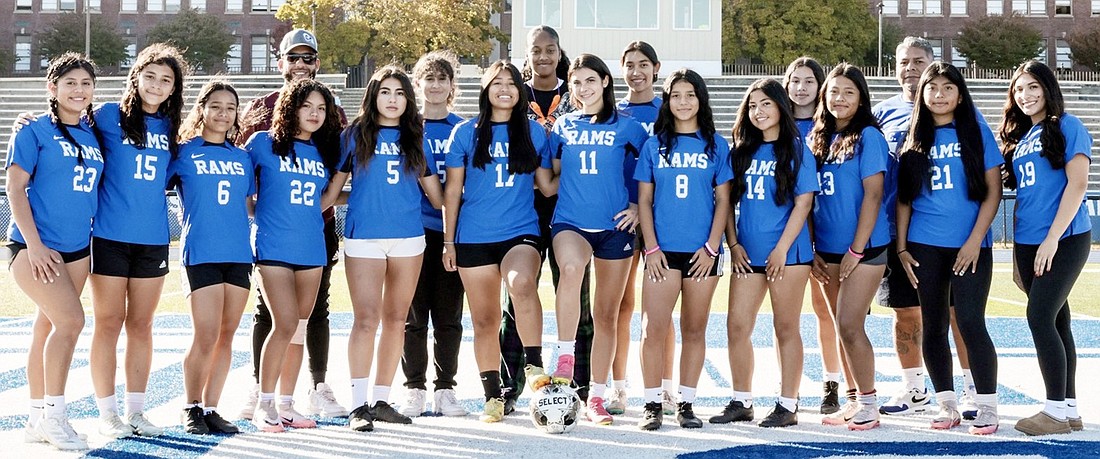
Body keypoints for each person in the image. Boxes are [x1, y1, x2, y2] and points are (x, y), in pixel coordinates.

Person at [325, 66, 444, 432]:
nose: (393, 99)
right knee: (366, 320)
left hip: (409, 237)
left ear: (408, 99)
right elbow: (333, 192)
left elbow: (437, 197)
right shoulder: (354, 136)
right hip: (365, 237)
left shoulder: (416, 138)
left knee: (397, 320)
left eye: (400, 93)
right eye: (385, 92)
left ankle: (380, 399)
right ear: (373, 95)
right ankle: (357, 405)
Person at [238, 28, 349, 420]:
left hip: (313, 235)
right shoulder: (260, 122)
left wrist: (312, 209)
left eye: (309, 58)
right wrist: (263, 217)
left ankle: (304, 393)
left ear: (317, 63)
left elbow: (335, 180)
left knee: (308, 317)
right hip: (273, 237)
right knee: (272, 317)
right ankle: (261, 391)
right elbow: (242, 183)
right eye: (294, 57)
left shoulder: (331, 120)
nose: (301, 64)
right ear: (281, 62)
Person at [441, 60, 555, 423]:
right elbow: (453, 191)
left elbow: (548, 186)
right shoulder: (465, 133)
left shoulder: (535, 132)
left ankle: (534, 365)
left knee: (521, 285)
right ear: (486, 89)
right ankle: (493, 395)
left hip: (520, 231)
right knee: (484, 321)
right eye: (496, 83)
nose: (504, 89)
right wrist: (449, 242)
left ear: (520, 90)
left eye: (511, 83)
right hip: (473, 236)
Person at [85, 43, 187, 439]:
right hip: (109, 235)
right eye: (151, 76)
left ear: (174, 88)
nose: (157, 85)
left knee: (142, 325)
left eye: (166, 80)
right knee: (108, 323)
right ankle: (107, 412)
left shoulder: (173, 128)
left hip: (153, 240)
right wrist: (31, 119)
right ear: (136, 76)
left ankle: (137, 411)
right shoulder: (109, 115)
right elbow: (69, 122)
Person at [896, 62, 1003, 434]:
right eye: (932, 87)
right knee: (934, 325)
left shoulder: (976, 132)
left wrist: (975, 241)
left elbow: (993, 192)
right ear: (922, 94)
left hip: (969, 245)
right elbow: (905, 199)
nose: (939, 94)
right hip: (925, 246)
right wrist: (902, 248)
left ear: (959, 94)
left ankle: (987, 406)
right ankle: (946, 403)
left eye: (947, 87)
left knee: (972, 322)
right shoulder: (913, 138)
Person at [873, 37, 977, 418]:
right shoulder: (882, 113)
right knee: (905, 312)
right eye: (904, 61)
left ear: (932, 65)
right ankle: (915, 387)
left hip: (946, 232)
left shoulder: (959, 112)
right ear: (895, 66)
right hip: (896, 230)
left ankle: (969, 387)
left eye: (919, 61)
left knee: (955, 313)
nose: (911, 68)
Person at [547, 53, 649, 425]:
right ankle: (564, 355)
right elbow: (551, 174)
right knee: (571, 268)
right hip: (571, 222)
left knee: (606, 314)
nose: (583, 88)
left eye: (590, 80)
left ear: (605, 82)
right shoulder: (563, 126)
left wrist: (638, 205)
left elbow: (651, 169)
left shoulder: (629, 126)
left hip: (615, 228)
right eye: (576, 82)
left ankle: (596, 396)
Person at [497, 25, 595, 412]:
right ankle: (511, 385)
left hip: (570, 207)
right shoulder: (514, 95)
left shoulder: (575, 94)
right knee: (516, 296)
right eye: (535, 50)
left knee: (576, 294)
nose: (542, 56)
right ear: (527, 54)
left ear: (559, 53)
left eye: (550, 49)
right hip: (523, 207)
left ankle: (581, 385)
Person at [8, 52, 102, 451]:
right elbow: (15, 188)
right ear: (53, 88)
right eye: (70, 83)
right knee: (70, 323)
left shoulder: (93, 133)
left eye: (85, 84)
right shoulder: (33, 130)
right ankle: (55, 415)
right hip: (36, 246)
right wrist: (34, 245)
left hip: (78, 247)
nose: (78, 90)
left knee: (46, 327)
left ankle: (35, 419)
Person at [714, 79, 817, 428]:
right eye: (753, 105)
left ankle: (788, 404)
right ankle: (742, 400)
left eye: (766, 104)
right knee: (736, 326)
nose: (759, 111)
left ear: (781, 107)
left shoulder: (798, 149)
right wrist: (734, 243)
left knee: (785, 327)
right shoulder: (740, 151)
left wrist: (782, 249)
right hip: (748, 254)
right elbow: (726, 202)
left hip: (788, 254)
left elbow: (804, 203)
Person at [635, 69, 731, 431]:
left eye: (690, 94)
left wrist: (712, 247)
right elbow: (644, 201)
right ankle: (652, 403)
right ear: (667, 100)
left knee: (694, 329)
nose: (683, 101)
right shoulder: (654, 145)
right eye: (676, 95)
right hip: (662, 251)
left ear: (700, 99)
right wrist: (651, 248)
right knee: (652, 329)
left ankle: (687, 404)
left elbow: (723, 200)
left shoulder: (715, 144)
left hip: (701, 253)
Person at [999, 60, 1092, 436]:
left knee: (1039, 318)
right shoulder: (1024, 137)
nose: (1026, 95)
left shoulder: (1068, 125)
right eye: (1019, 89)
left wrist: (1052, 238)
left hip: (1063, 239)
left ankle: (1053, 411)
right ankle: (1069, 410)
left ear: (1048, 88)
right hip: (1028, 241)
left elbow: (1078, 185)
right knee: (1057, 321)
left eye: (1033, 87)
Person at [810, 63, 890, 431]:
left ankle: (870, 403)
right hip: (826, 250)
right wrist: (813, 247)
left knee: (850, 325)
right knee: (840, 327)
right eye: (834, 92)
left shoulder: (870, 136)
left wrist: (856, 250)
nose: (839, 99)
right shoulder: (819, 137)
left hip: (863, 250)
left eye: (848, 93)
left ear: (861, 99)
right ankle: (855, 399)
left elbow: (874, 194)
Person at [171, 80, 253, 435]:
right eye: (216, 106)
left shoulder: (243, 157)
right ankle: (191, 405)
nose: (223, 113)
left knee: (226, 335)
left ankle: (212, 407)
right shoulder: (184, 152)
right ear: (202, 108)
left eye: (230, 107)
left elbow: (250, 205)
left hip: (238, 253)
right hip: (201, 252)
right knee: (205, 334)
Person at [400, 50, 469, 418]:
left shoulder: (464, 128)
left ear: (452, 86)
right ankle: (414, 387)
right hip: (413, 229)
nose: (436, 85)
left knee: (448, 316)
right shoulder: (408, 129)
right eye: (430, 78)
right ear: (418, 85)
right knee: (413, 315)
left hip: (451, 231)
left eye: (443, 79)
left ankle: (445, 389)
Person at [611, 40, 678, 416]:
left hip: (659, 217)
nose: (636, 72)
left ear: (656, 67)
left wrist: (644, 207)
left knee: (659, 312)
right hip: (619, 216)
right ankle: (619, 388)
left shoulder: (668, 111)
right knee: (620, 305)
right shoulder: (612, 111)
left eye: (643, 65)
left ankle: (666, 389)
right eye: (629, 65)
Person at [784, 56, 845, 415]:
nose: (802, 88)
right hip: (788, 232)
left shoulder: (833, 127)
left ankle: (833, 381)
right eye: (795, 81)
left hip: (826, 230)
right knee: (786, 317)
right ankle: (787, 390)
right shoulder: (777, 123)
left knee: (828, 312)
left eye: (809, 81)